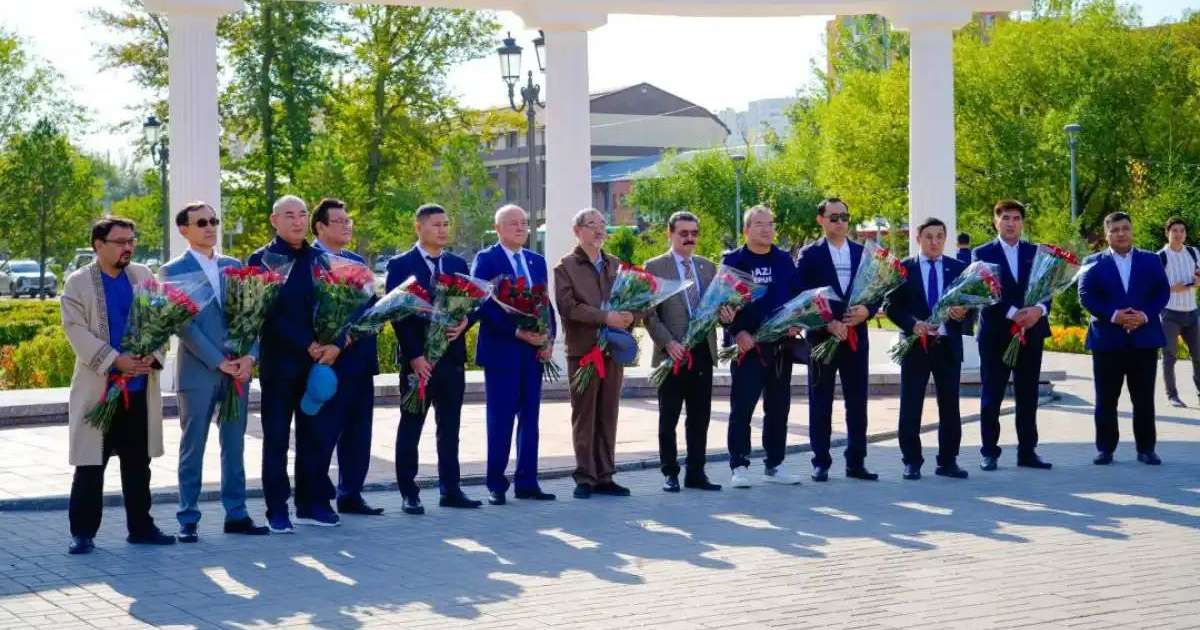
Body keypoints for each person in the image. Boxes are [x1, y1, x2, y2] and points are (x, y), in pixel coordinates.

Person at [63, 216, 174, 554]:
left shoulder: (142, 275)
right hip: (99, 389)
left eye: (131, 241)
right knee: (91, 463)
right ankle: (83, 532)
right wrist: (115, 360)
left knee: (138, 463)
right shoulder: (78, 283)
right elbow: (74, 330)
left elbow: (162, 318)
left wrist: (149, 357)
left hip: (138, 388)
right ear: (99, 245)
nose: (128, 247)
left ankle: (141, 526)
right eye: (120, 241)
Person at [161, 202, 268, 543]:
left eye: (213, 221)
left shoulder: (233, 266)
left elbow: (254, 316)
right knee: (194, 445)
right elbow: (184, 324)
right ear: (184, 229)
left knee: (234, 445)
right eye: (201, 222)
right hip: (199, 372)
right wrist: (217, 360)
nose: (210, 227)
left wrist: (249, 357)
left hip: (238, 372)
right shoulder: (172, 271)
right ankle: (188, 517)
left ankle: (236, 514)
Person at [247, 195, 342, 533]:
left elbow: (340, 307)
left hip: (317, 366)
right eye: (289, 215)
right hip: (280, 364)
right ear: (274, 220)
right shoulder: (263, 260)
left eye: (302, 214)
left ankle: (312, 503)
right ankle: (277, 508)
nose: (297, 221)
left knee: (315, 435)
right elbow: (265, 315)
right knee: (276, 438)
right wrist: (307, 343)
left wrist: (335, 344)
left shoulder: (321, 259)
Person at [386, 203, 478, 514]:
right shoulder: (401, 265)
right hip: (418, 363)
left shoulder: (457, 263)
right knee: (411, 425)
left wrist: (467, 322)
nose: (443, 229)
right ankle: (409, 493)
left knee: (450, 427)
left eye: (446, 224)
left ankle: (451, 490)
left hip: (451, 361)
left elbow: (473, 304)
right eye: (436, 224)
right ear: (419, 227)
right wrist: (414, 356)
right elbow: (396, 314)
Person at [471, 204, 557, 505]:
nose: (521, 228)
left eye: (524, 223)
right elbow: (482, 304)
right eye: (513, 224)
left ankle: (527, 482)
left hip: (532, 354)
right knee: (501, 419)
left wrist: (549, 340)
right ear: (498, 229)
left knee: (530, 419)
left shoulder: (536, 261)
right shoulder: (486, 259)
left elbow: (544, 303)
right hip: (502, 351)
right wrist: (516, 332)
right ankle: (496, 483)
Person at [304, 198, 384, 518]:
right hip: (325, 363)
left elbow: (372, 310)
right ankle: (317, 498)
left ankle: (351, 493)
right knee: (322, 434)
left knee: (358, 432)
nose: (347, 225)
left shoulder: (356, 261)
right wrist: (331, 343)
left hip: (359, 362)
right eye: (339, 221)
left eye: (349, 220)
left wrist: (351, 337)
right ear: (320, 226)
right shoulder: (307, 261)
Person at [644, 211, 730, 492]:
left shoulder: (707, 267)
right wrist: (668, 343)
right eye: (683, 233)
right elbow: (649, 313)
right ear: (670, 234)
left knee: (700, 417)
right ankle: (670, 472)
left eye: (694, 233)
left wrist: (727, 313)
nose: (690, 238)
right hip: (671, 356)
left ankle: (696, 472)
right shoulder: (655, 266)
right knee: (668, 417)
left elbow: (717, 307)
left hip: (702, 352)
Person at [795, 198, 879, 482]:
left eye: (844, 216)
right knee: (821, 400)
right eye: (833, 217)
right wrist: (828, 322)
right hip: (822, 338)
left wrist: (868, 310)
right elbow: (803, 297)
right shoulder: (809, 255)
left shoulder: (862, 252)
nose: (840, 222)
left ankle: (856, 461)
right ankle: (821, 461)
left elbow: (877, 290)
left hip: (857, 336)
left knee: (857, 402)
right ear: (821, 220)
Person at [721, 205, 804, 488]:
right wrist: (737, 332)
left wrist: (797, 322)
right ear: (746, 230)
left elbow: (796, 298)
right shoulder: (733, 261)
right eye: (759, 224)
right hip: (748, 348)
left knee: (779, 408)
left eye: (770, 223)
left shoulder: (784, 260)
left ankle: (775, 463)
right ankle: (739, 465)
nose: (766, 229)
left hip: (780, 347)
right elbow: (722, 306)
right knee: (743, 407)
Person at [1079, 211, 1170, 465]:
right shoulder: (1093, 262)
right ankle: (1105, 449)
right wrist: (1115, 315)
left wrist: (1144, 315)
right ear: (1106, 234)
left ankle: (1146, 449)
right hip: (1107, 340)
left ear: (1132, 231)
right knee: (1106, 398)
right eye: (1115, 230)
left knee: (1143, 398)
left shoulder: (1151, 260)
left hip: (1144, 338)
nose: (1121, 233)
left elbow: (1161, 292)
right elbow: (1086, 296)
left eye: (1125, 228)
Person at [884, 217, 971, 481]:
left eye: (940, 237)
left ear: (946, 239)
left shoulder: (959, 268)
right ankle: (912, 461)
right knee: (911, 404)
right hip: (915, 346)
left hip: (947, 346)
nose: (934, 242)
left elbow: (973, 306)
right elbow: (891, 306)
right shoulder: (903, 269)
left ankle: (948, 460)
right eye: (929, 236)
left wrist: (962, 313)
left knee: (950, 405)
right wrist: (912, 324)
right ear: (917, 238)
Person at [554, 208, 633, 499]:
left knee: (608, 412)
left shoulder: (615, 264)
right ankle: (585, 477)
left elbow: (633, 300)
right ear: (578, 231)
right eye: (592, 225)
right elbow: (568, 307)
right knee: (584, 413)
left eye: (603, 225)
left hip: (613, 350)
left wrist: (628, 316)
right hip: (584, 351)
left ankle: (605, 475)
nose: (599, 230)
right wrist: (605, 317)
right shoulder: (565, 267)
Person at [972, 200, 1053, 472]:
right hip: (997, 333)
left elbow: (1048, 289)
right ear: (996, 221)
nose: (1010, 223)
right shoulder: (981, 253)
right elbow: (984, 292)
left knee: (1028, 395)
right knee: (992, 395)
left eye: (1016, 218)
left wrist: (1039, 310)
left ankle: (1027, 451)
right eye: (1005, 217)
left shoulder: (1037, 252)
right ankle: (989, 452)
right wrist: (1013, 313)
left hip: (1031, 332)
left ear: (1022, 222)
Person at [1157, 216, 1200, 408]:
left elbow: (1198, 274)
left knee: (1198, 355)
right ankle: (1172, 395)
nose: (1178, 234)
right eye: (1174, 230)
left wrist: (1197, 281)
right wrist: (1171, 288)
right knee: (1170, 356)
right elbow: (1154, 286)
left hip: (1192, 312)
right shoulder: (1160, 256)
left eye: (1182, 230)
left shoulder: (1194, 252)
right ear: (1167, 233)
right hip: (1169, 313)